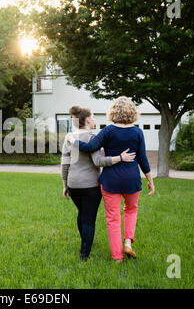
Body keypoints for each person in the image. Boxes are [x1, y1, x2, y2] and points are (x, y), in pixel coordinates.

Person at [70, 97, 155, 263]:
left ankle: (117, 258)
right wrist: (150, 180)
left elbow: (90, 147)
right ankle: (128, 242)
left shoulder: (108, 131)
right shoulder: (138, 132)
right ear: (132, 111)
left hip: (110, 181)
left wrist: (73, 140)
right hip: (132, 179)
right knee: (131, 210)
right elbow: (143, 159)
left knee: (113, 219)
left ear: (113, 111)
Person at [61, 105, 135, 261]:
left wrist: (65, 185)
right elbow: (98, 161)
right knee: (89, 220)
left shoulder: (69, 138)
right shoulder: (92, 138)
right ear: (87, 120)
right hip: (90, 186)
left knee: (82, 213)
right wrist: (119, 158)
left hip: (73, 185)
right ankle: (84, 254)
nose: (94, 120)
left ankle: (85, 242)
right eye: (93, 117)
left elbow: (64, 163)